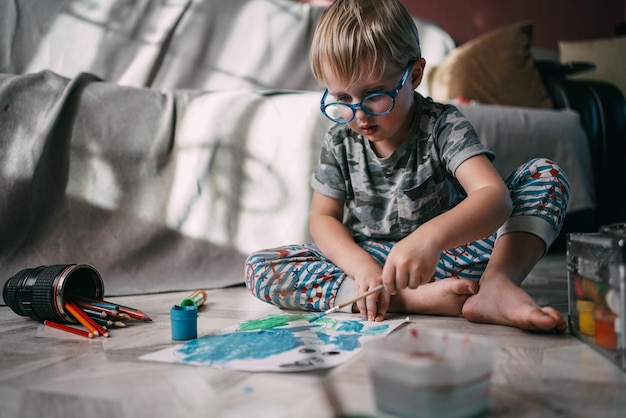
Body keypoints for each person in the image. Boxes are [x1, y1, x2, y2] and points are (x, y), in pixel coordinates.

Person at [245, 0, 570, 332]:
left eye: (374, 95)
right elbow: (323, 217)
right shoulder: (339, 140)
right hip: (377, 266)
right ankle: (404, 300)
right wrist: (362, 269)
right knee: (260, 267)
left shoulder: (442, 125)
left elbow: (493, 196)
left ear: (414, 75)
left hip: (454, 253)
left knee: (545, 174)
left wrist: (429, 239)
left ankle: (497, 285)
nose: (359, 115)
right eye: (342, 99)